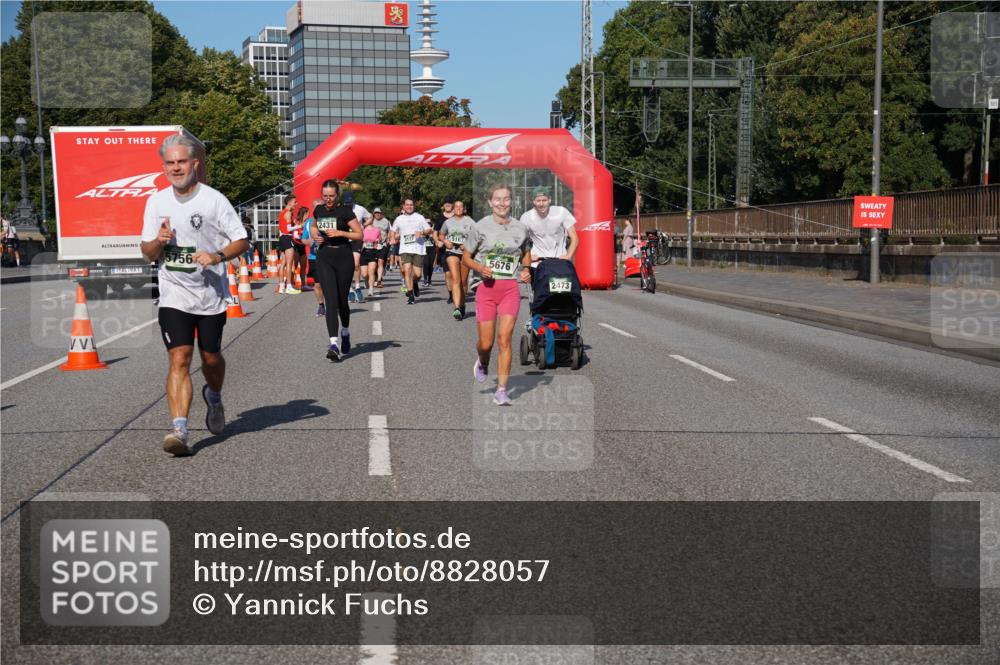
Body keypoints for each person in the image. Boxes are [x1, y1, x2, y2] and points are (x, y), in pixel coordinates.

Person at [140, 134, 249, 456]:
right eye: (170, 163)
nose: (176, 168)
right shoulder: (156, 202)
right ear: (164, 167)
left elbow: (241, 240)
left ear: (195, 164)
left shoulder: (214, 200)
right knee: (180, 357)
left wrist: (216, 256)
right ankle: (180, 430)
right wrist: (159, 242)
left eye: (182, 162)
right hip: (174, 294)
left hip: (210, 294)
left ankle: (213, 395)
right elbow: (147, 253)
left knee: (211, 357)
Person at [463, 183, 530, 406]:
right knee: (486, 344)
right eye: (498, 199)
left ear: (512, 201)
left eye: (506, 199)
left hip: (509, 289)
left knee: (504, 339)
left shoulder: (521, 228)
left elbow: (526, 252)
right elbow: (465, 257)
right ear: (490, 202)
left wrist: (526, 269)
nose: (502, 203)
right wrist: (480, 268)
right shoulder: (480, 226)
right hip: (486, 288)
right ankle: (483, 362)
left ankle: (502, 390)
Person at [313, 180, 362, 361]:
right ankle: (333, 344)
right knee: (331, 302)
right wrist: (316, 236)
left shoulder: (345, 212)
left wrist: (341, 233)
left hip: (343, 257)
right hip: (324, 257)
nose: (328, 199)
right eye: (325, 196)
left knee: (342, 302)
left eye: (331, 196)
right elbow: (313, 226)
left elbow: (359, 234)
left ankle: (345, 332)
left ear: (337, 195)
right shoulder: (319, 210)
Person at [519, 187, 578, 272]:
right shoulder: (526, 217)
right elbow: (520, 242)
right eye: (538, 201)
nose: (541, 204)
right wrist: (528, 256)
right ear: (533, 201)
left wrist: (568, 256)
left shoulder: (561, 212)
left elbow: (574, 238)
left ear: (549, 200)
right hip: (537, 264)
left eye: (544, 200)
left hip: (560, 262)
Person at [390, 198, 432, 305]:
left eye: (411, 205)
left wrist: (422, 232)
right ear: (403, 206)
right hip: (405, 249)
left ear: (414, 206)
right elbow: (393, 230)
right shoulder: (399, 219)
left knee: (418, 274)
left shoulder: (419, 217)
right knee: (407, 270)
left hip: (418, 248)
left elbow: (429, 229)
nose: (409, 206)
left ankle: (415, 283)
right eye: (407, 205)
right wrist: (392, 238)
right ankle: (410, 294)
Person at [439, 199, 476, 320]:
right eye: (456, 207)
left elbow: (477, 236)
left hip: (465, 253)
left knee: (463, 281)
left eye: (461, 207)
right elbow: (441, 234)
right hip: (452, 251)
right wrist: (445, 241)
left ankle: (462, 304)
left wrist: (468, 243)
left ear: (464, 209)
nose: (458, 209)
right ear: (453, 209)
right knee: (456, 279)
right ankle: (456, 308)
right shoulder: (448, 222)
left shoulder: (470, 221)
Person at [343, 190, 370, 303]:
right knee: (346, 266)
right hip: (344, 239)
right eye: (346, 203)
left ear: (353, 201)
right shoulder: (341, 209)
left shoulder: (360, 209)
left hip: (356, 240)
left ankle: (358, 287)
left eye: (350, 203)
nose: (348, 205)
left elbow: (370, 217)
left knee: (355, 264)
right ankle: (349, 289)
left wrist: (364, 225)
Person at [300, 206, 326, 317]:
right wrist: (309, 242)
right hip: (314, 257)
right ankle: (321, 305)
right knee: (318, 285)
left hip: (329, 257)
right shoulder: (309, 223)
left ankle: (333, 304)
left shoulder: (329, 220)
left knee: (330, 283)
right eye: (316, 208)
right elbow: (303, 239)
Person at [425, 196, 453, 287]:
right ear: (443, 205)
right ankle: (451, 293)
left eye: (449, 202)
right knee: (448, 273)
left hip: (457, 249)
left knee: (457, 274)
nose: (447, 204)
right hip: (444, 249)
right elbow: (435, 233)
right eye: (446, 203)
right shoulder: (440, 218)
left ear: (452, 204)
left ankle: (457, 291)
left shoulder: (457, 216)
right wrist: (437, 241)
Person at [277, 194, 301, 294]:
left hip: (283, 238)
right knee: (289, 263)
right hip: (287, 237)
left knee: (283, 263)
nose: (296, 203)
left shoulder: (282, 212)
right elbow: (288, 228)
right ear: (290, 202)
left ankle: (282, 286)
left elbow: (282, 227)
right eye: (295, 202)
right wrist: (300, 226)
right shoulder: (288, 212)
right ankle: (289, 286)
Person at [359, 213, 381, 297]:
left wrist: (378, 240)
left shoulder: (377, 230)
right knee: (364, 274)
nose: (368, 219)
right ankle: (366, 280)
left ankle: (371, 289)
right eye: (366, 218)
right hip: (363, 252)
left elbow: (380, 240)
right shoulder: (362, 229)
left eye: (370, 218)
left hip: (373, 252)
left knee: (371, 271)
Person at [371, 207, 391, 289]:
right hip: (373, 245)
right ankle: (375, 276)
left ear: (381, 213)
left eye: (378, 213)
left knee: (380, 261)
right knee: (374, 263)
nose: (377, 214)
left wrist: (388, 238)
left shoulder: (386, 221)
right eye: (375, 213)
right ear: (373, 214)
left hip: (383, 244)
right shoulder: (371, 221)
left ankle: (379, 281)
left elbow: (390, 231)